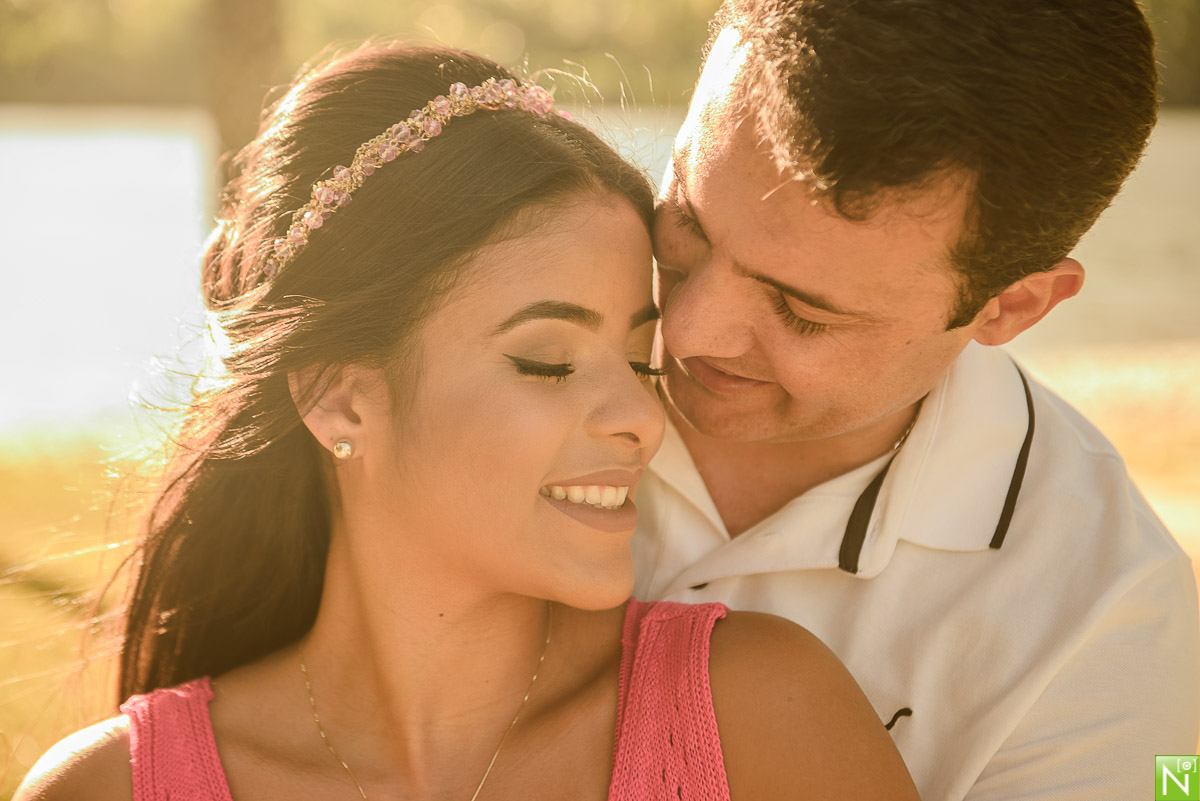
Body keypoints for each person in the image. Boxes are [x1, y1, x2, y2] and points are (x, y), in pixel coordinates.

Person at [14, 43, 920, 801]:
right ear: (339, 397)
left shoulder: (757, 720)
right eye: (548, 361)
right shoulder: (110, 788)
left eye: (640, 362)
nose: (643, 420)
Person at [634, 1, 1200, 799]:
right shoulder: (486, 312)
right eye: (687, 221)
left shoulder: (1107, 627)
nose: (687, 327)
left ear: (1011, 307)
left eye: (802, 311)